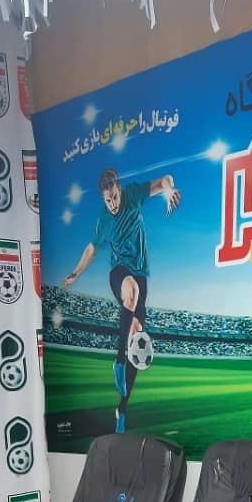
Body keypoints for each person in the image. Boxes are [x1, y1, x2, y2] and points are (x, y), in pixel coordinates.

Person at [62, 167, 180, 432]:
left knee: (137, 339)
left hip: (141, 276)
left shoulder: (133, 195)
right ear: (102, 198)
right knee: (131, 290)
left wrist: (169, 190)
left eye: (115, 197)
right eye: (108, 200)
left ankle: (122, 408)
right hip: (119, 273)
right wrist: (76, 272)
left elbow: (164, 180)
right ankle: (118, 359)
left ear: (119, 189)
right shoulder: (104, 219)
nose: (113, 203)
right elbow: (92, 248)